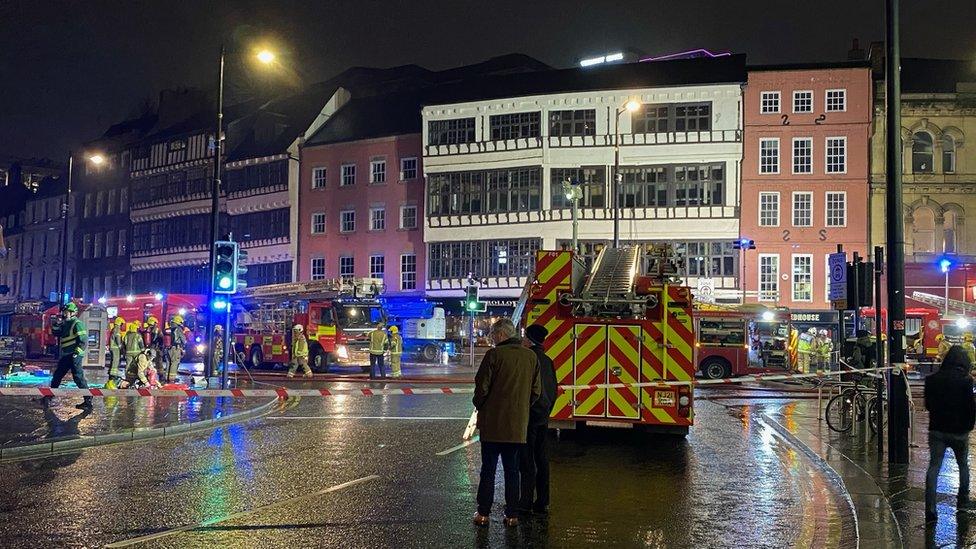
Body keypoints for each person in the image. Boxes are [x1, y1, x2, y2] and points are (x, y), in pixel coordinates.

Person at [472, 318, 541, 527]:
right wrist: (521, 410)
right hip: (517, 427)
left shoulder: (494, 355)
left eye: (493, 335)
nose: (492, 339)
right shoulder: (530, 357)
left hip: (493, 425)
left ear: (501, 335)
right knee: (512, 471)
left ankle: (483, 513)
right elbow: (536, 391)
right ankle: (512, 515)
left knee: (488, 470)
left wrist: (480, 404)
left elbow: (481, 388)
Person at [924, 345, 976, 523]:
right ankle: (962, 503)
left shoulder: (932, 379)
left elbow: (928, 405)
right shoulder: (966, 381)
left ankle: (930, 508)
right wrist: (969, 426)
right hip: (960, 431)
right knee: (963, 466)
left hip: (937, 429)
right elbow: (970, 407)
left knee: (934, 468)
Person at [519, 324, 557, 516]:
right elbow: (554, 390)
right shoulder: (548, 361)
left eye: (524, 337)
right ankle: (543, 502)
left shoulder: (528, 359)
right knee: (542, 460)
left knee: (526, 462)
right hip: (543, 417)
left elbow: (526, 390)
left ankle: (524, 503)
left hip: (529, 417)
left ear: (529, 340)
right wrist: (547, 411)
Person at [46, 302, 92, 409]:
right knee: (57, 375)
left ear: (73, 313)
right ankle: (48, 397)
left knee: (78, 377)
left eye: (66, 312)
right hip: (66, 355)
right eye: (64, 312)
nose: (64, 314)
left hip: (74, 355)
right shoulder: (65, 324)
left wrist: (77, 353)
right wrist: (57, 323)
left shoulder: (77, 323)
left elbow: (83, 341)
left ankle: (88, 401)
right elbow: (57, 333)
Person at [166, 315, 186, 383]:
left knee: (168, 363)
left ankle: (167, 378)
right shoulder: (178, 328)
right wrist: (184, 345)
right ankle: (172, 379)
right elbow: (183, 339)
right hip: (175, 348)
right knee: (175, 362)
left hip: (167, 348)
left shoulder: (169, 328)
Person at [106, 316, 126, 387]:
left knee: (113, 362)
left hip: (113, 348)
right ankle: (112, 377)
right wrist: (121, 347)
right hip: (115, 349)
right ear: (119, 323)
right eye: (122, 324)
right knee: (115, 362)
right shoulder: (117, 329)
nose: (122, 325)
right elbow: (118, 340)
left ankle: (112, 376)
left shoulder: (114, 329)